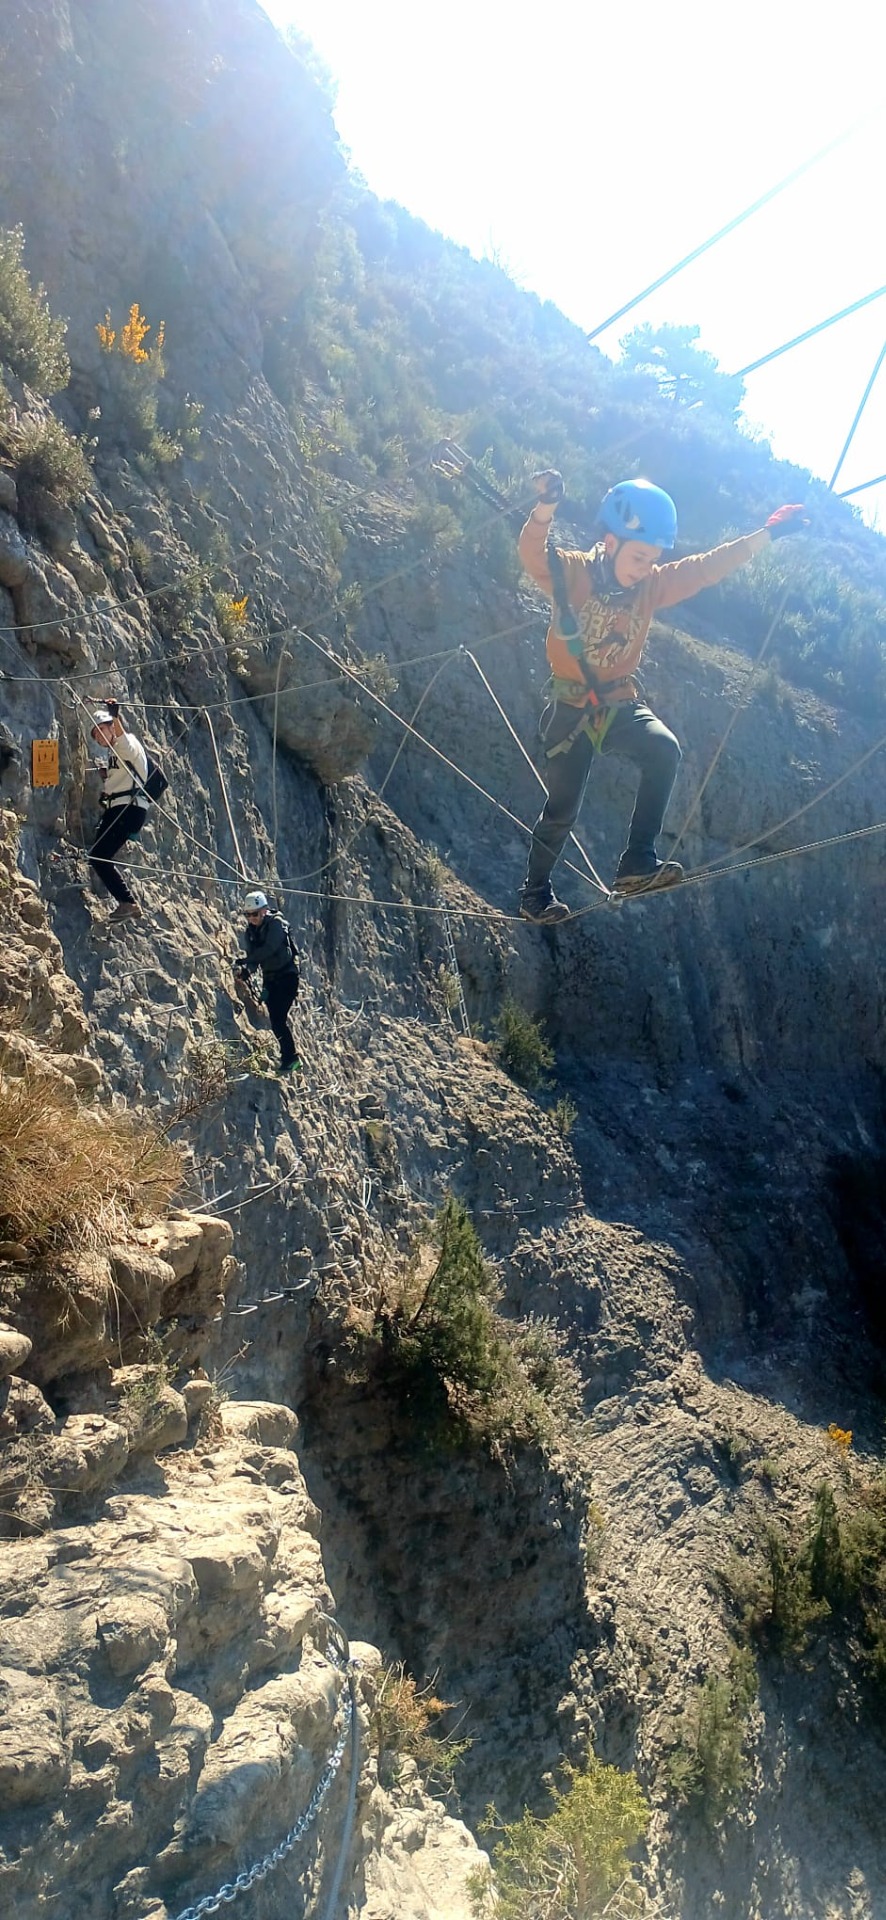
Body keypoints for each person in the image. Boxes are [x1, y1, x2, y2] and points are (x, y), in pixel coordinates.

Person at [518, 474, 809, 922]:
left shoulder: (650, 586)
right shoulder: (572, 572)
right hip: (570, 707)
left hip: (616, 702)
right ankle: (535, 893)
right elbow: (533, 554)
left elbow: (705, 568)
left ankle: (637, 860)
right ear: (610, 543)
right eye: (638, 557)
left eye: (652, 559)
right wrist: (546, 508)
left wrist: (767, 535)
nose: (644, 568)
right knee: (562, 811)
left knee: (664, 749)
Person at [88, 698, 150, 924]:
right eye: (96, 736)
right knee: (97, 856)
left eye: (102, 731)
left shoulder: (126, 743)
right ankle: (126, 902)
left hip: (127, 809)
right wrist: (106, 776)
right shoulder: (116, 752)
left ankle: (128, 902)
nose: (99, 738)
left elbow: (122, 737)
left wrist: (114, 715)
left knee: (98, 856)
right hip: (121, 809)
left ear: (111, 727)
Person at [234, 891, 301, 1074]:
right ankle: (289, 1058)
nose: (251, 918)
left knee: (278, 1019)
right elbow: (255, 958)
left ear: (264, 911)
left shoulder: (277, 924)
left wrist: (246, 961)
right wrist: (246, 970)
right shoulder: (251, 932)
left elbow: (269, 949)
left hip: (287, 976)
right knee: (275, 1020)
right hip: (270, 979)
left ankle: (291, 1058)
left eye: (255, 914)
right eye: (248, 915)